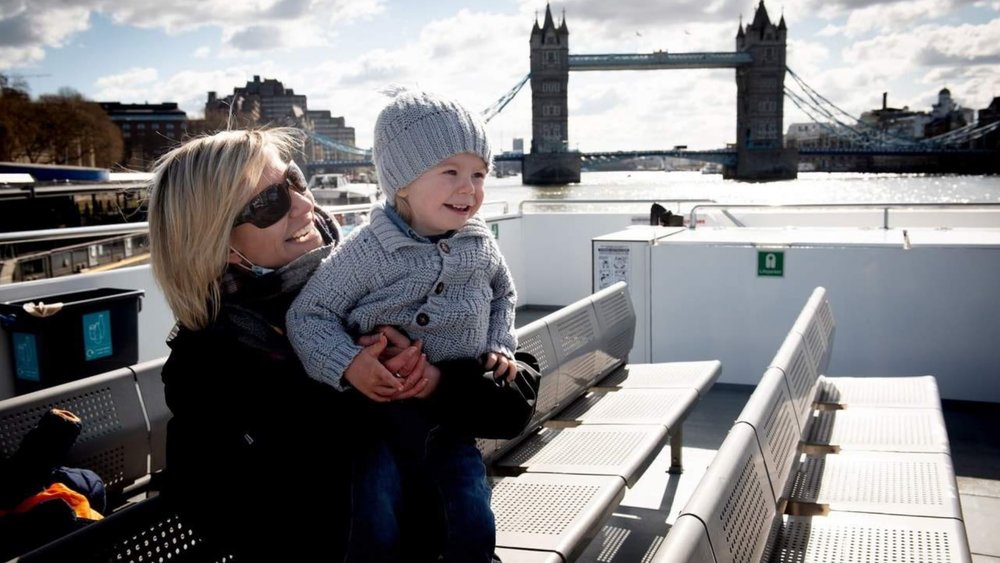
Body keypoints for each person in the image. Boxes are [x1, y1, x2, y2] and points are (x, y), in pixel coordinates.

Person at [147, 128, 457, 561]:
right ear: (216, 240)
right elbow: (215, 509)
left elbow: (509, 403)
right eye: (269, 203)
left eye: (293, 180)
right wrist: (341, 384)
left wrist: (434, 379)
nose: (304, 204)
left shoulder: (388, 280)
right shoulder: (206, 363)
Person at [287, 88, 516, 563]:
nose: (468, 188)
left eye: (478, 174)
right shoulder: (367, 250)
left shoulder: (480, 243)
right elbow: (309, 314)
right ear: (403, 182)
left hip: (451, 418)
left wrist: (499, 342)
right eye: (450, 172)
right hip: (375, 421)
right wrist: (349, 363)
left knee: (471, 516)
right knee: (375, 521)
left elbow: (503, 294)